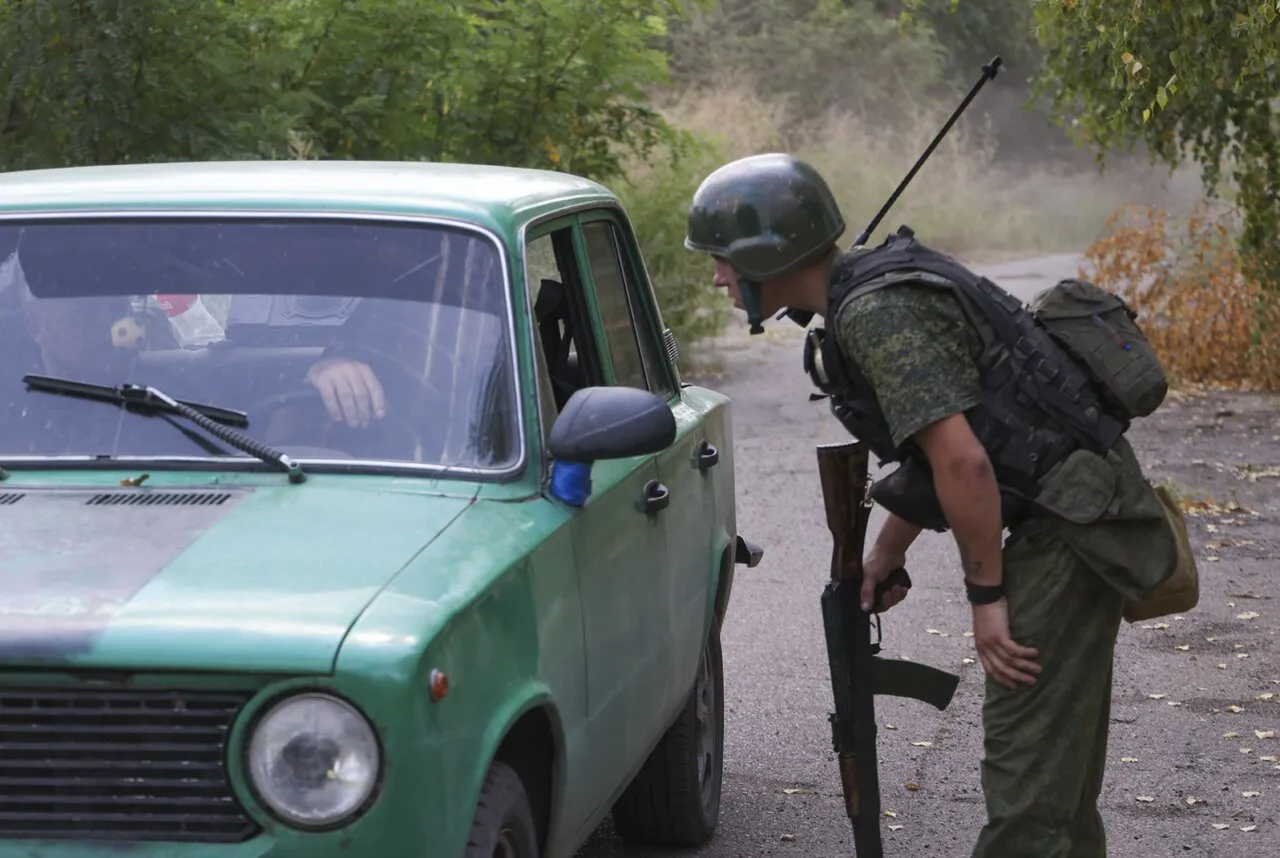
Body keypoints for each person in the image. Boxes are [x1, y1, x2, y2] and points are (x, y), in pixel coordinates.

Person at [682, 152, 1179, 858]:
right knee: (1055, 778)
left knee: (1028, 784)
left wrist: (987, 598)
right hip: (1073, 513)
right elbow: (943, 446)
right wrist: (886, 551)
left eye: (724, 259)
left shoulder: (876, 313)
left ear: (772, 254)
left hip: (1069, 528)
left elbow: (963, 461)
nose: (717, 277)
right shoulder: (867, 297)